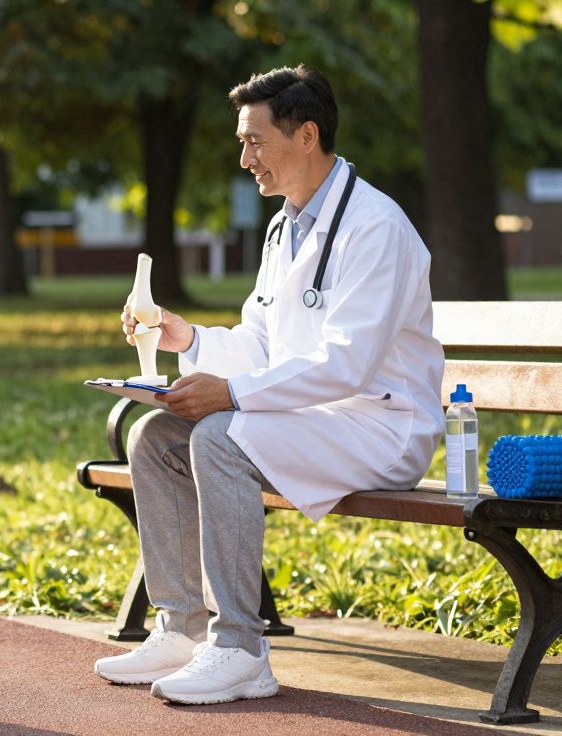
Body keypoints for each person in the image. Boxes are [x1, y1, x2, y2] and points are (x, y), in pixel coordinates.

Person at [94, 65, 443, 705]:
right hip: (309, 419)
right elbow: (261, 343)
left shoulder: (376, 226)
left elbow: (348, 364)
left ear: (306, 135)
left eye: (254, 140)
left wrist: (229, 394)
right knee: (155, 435)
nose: (244, 157)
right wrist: (186, 339)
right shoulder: (286, 225)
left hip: (380, 427)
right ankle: (181, 628)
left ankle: (240, 649)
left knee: (220, 438)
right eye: (242, 141)